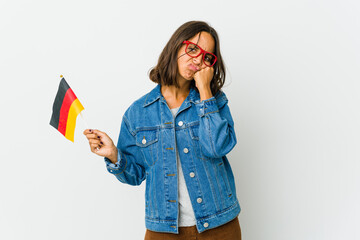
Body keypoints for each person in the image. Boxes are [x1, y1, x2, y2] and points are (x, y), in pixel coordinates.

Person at [83, 21, 242, 240]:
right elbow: (135, 175)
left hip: (219, 225)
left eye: (207, 57)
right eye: (193, 48)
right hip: (163, 231)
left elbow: (217, 147)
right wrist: (113, 154)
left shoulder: (215, 102)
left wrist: (205, 90)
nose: (198, 59)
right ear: (175, 47)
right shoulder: (138, 113)